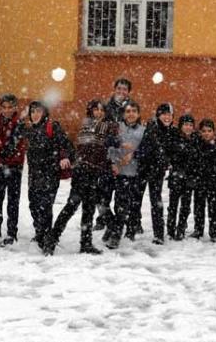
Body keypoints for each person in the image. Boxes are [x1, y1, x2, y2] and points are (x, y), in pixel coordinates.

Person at [44, 100, 117, 255]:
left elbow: (107, 144)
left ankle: (85, 243)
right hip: (82, 172)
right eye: (95, 109)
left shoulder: (101, 126)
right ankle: (52, 239)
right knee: (72, 206)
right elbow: (105, 142)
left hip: (93, 173)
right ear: (90, 111)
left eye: (101, 110)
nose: (99, 112)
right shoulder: (92, 125)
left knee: (88, 209)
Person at [17, 100, 75, 251]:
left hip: (50, 173)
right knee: (33, 205)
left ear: (44, 113)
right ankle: (39, 232)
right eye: (33, 112)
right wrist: (21, 118)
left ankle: (46, 238)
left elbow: (66, 144)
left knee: (45, 206)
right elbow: (15, 131)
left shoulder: (52, 126)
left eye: (38, 111)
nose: (35, 114)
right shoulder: (30, 129)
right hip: (34, 174)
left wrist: (65, 157)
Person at [0, 94, 27, 246]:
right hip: (3, 166)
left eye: (10, 107)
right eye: (4, 107)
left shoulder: (20, 123)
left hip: (14, 166)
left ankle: (11, 233)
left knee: (12, 201)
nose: (7, 110)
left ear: (16, 107)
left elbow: (11, 147)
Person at [104, 101, 146, 249]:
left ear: (138, 114)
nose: (131, 114)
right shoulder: (117, 128)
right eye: (128, 111)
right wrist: (113, 163)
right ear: (123, 114)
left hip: (133, 174)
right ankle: (112, 227)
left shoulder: (143, 130)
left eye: (134, 111)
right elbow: (108, 144)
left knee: (124, 205)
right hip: (115, 171)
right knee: (104, 202)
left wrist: (134, 154)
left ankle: (117, 235)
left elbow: (147, 150)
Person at [95, 77, 134, 230]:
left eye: (124, 89)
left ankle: (120, 222)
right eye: (119, 88)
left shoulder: (132, 108)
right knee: (103, 192)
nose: (121, 92)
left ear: (128, 92)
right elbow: (100, 131)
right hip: (107, 155)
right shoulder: (105, 107)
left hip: (125, 157)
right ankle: (102, 218)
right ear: (114, 89)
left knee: (122, 194)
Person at [135, 103, 176, 245]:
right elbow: (154, 148)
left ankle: (158, 234)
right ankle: (133, 226)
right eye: (164, 114)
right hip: (143, 168)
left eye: (170, 115)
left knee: (156, 202)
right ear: (158, 115)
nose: (167, 117)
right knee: (136, 199)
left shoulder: (171, 131)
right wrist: (164, 160)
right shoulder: (151, 128)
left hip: (157, 172)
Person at [191, 119, 216, 242]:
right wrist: (195, 173)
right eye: (204, 131)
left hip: (213, 183)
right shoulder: (195, 144)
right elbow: (191, 161)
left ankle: (214, 233)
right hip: (199, 182)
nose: (206, 133)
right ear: (200, 132)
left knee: (213, 208)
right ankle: (198, 230)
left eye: (209, 131)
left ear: (214, 132)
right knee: (198, 207)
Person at [166, 115, 200, 241]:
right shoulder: (174, 138)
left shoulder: (196, 139)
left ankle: (181, 229)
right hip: (176, 175)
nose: (188, 127)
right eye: (186, 124)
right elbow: (170, 154)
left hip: (190, 177)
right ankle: (170, 229)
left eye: (191, 125)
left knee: (185, 205)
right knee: (173, 205)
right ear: (181, 126)